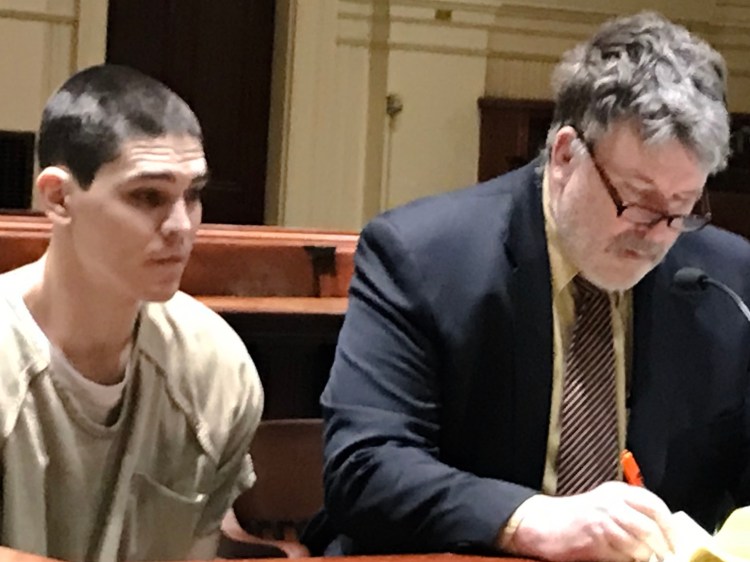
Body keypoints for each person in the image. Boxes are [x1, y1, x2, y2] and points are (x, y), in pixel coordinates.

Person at [308, 11, 750, 561]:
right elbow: (365, 467)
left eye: (682, 208)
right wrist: (529, 519)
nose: (658, 236)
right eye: (637, 201)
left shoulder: (727, 279)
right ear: (566, 155)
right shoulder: (423, 257)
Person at [0, 65, 263, 561]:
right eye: (148, 196)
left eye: (193, 195)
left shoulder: (217, 367)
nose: (181, 226)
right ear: (58, 198)